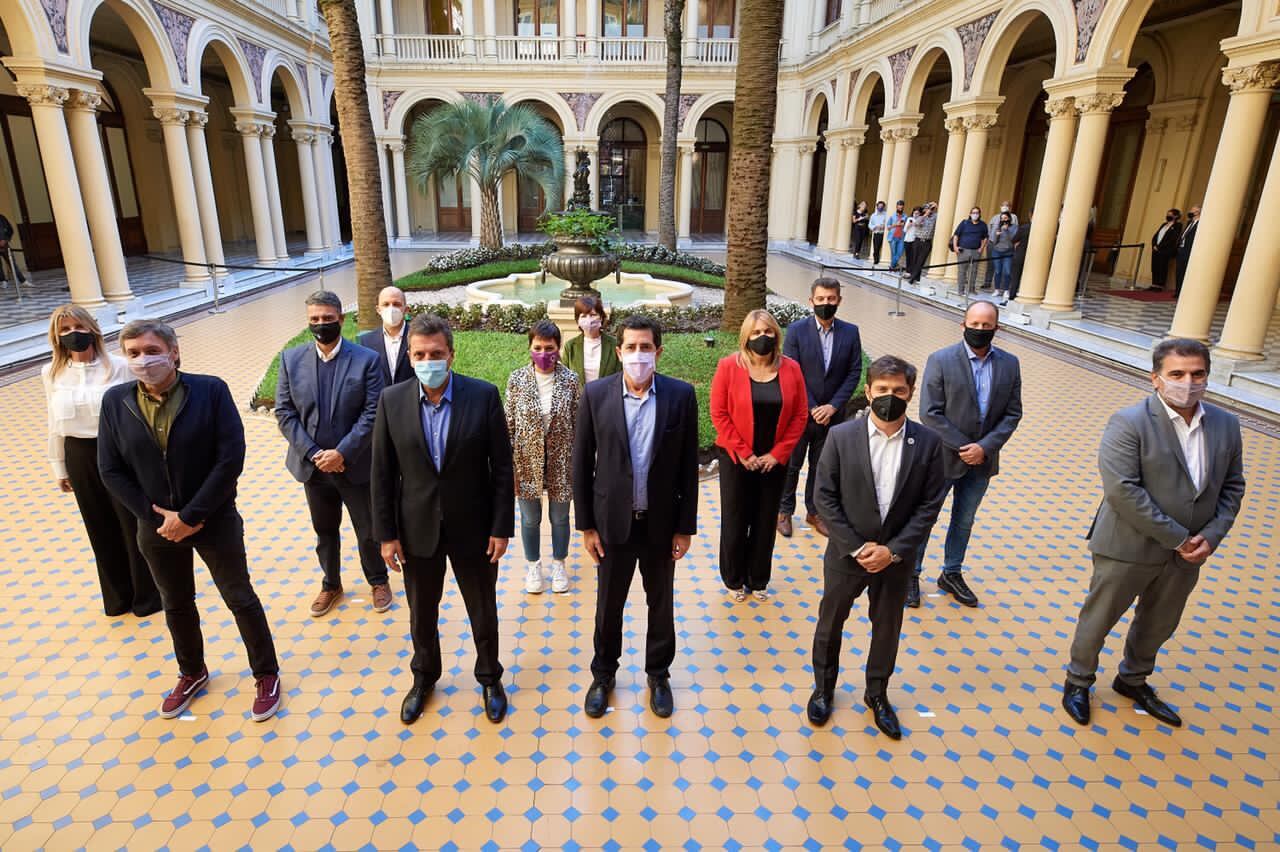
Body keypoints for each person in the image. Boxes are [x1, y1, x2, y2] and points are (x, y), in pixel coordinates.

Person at [97, 320, 281, 721]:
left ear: (173, 352)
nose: (143, 360)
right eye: (132, 353)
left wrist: (192, 514)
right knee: (176, 602)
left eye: (150, 350)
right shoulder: (115, 402)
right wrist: (155, 516)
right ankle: (191, 672)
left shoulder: (210, 390)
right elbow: (109, 469)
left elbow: (230, 456)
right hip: (157, 528)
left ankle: (266, 673)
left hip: (213, 520)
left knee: (239, 596)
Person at [1062, 338, 1245, 728]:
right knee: (1100, 616)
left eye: (1197, 374)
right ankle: (1078, 681)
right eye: (1177, 374)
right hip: (1128, 545)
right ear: (1156, 379)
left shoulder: (1226, 424)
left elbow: (1232, 486)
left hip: (1189, 551)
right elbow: (1122, 490)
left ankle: (1133, 679)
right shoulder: (1129, 422)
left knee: (1160, 621)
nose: (1188, 382)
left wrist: (1210, 537)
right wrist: (1179, 538)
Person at [371, 314, 514, 725]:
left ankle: (490, 678)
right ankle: (424, 678)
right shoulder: (392, 401)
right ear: (411, 357)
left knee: (482, 610)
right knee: (422, 613)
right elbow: (381, 474)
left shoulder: (482, 396)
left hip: (474, 528)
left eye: (436, 353)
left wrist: (501, 527)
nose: (428, 360)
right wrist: (386, 536)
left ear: (451, 354)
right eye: (420, 354)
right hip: (416, 531)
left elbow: (502, 469)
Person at [807, 356, 946, 738]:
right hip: (845, 555)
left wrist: (893, 550)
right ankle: (823, 688)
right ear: (867, 392)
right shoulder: (841, 437)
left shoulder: (929, 443)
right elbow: (824, 498)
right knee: (831, 622)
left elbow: (929, 506)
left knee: (887, 627)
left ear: (911, 393)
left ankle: (878, 694)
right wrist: (856, 547)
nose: (890, 397)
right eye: (882, 390)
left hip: (895, 560)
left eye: (898, 391)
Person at [573, 315, 699, 720]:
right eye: (631, 347)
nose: (638, 355)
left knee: (660, 603)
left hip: (660, 524)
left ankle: (658, 674)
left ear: (658, 352)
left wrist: (685, 527)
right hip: (612, 525)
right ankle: (603, 674)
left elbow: (686, 467)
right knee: (609, 603)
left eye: (646, 348)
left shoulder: (681, 396)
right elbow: (580, 465)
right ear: (619, 351)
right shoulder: (596, 395)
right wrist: (587, 526)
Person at [42, 305, 160, 618]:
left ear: (92, 328)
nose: (72, 334)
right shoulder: (51, 372)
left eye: (77, 327)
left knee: (131, 521)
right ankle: (117, 596)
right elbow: (53, 421)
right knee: (99, 525)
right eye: (64, 330)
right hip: (78, 454)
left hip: (118, 451)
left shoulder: (120, 366)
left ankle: (147, 596)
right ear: (56, 336)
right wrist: (59, 467)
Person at [276, 290, 389, 617]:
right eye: (315, 320)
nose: (321, 325)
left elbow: (373, 412)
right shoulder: (291, 359)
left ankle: (378, 580)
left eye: (328, 319)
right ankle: (331, 583)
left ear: (342, 319)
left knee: (367, 530)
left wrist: (342, 452)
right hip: (314, 469)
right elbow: (284, 412)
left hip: (354, 466)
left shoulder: (367, 360)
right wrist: (313, 453)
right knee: (324, 531)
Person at [914, 301, 1023, 609]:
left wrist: (984, 448)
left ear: (996, 328)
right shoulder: (940, 360)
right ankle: (912, 573)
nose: (980, 330)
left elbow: (1013, 413)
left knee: (964, 520)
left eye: (987, 326)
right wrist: (966, 447)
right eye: (974, 324)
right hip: (944, 458)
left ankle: (951, 573)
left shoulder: (1010, 364)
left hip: (982, 461)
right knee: (926, 518)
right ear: (963, 325)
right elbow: (930, 413)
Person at [710, 310, 808, 602]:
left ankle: (758, 577)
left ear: (776, 335)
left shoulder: (792, 369)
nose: (762, 337)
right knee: (736, 518)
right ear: (745, 337)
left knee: (765, 520)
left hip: (773, 461)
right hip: (736, 458)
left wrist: (777, 455)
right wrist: (743, 452)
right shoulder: (728, 366)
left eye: (767, 332)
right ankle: (734, 578)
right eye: (755, 333)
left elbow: (800, 415)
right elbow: (719, 413)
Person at [778, 278, 863, 539]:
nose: (826, 303)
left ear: (838, 300)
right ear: (811, 301)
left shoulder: (850, 332)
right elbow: (792, 371)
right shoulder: (796, 331)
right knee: (792, 464)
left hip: (833, 417)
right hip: (801, 413)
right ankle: (783, 511)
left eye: (831, 299)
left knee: (822, 466)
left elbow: (854, 371)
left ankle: (815, 512)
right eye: (821, 299)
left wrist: (833, 406)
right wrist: (814, 406)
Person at [505, 319, 581, 595]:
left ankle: (559, 563)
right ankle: (533, 565)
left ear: (558, 348)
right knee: (529, 519)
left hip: (562, 461)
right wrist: (508, 465)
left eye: (549, 347)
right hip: (525, 462)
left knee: (560, 518)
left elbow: (579, 422)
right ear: (529, 348)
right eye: (537, 347)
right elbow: (509, 423)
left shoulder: (571, 380)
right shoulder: (517, 380)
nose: (543, 353)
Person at [358, 285, 414, 386]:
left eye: (397, 304)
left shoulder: (418, 337)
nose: (391, 308)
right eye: (386, 304)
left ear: (406, 309)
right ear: (378, 309)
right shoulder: (367, 341)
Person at [562, 296, 621, 386]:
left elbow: (620, 376)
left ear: (601, 317)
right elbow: (564, 378)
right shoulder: (570, 346)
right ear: (578, 320)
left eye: (593, 315)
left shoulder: (614, 345)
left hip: (607, 397)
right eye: (584, 316)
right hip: (580, 399)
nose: (588, 320)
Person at [951, 207, 988, 296]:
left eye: (977, 213)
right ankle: (961, 290)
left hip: (976, 251)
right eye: (973, 213)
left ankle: (971, 289)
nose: (975, 214)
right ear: (970, 214)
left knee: (974, 271)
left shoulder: (983, 225)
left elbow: (985, 237)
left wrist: (981, 248)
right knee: (962, 271)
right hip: (963, 250)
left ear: (979, 214)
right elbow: (956, 235)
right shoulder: (964, 223)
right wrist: (955, 246)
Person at [982, 202, 1019, 290]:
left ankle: (1002, 286)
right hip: (992, 243)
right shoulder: (995, 217)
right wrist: (989, 240)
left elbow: (1015, 231)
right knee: (990, 264)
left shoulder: (1013, 217)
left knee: (1004, 268)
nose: (1004, 207)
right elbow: (989, 229)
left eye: (1006, 205)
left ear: (1010, 207)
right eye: (1002, 205)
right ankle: (987, 282)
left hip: (1006, 246)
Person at [1148, 208, 1182, 293]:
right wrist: (1154, 245)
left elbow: (1172, 239)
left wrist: (1159, 247)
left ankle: (1159, 286)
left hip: (1165, 250)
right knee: (1154, 266)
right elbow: (1156, 236)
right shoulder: (1163, 224)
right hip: (1156, 249)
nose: (1168, 216)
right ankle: (1154, 284)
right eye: (1167, 214)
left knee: (1162, 267)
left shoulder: (1177, 226)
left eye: (1170, 214)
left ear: (1176, 216)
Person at [989, 212, 1017, 302]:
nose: (1004, 220)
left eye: (1005, 218)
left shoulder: (1014, 227)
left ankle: (1006, 290)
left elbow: (1013, 239)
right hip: (997, 251)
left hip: (1008, 252)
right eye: (1002, 218)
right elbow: (994, 241)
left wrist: (1006, 230)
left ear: (1009, 218)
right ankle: (997, 289)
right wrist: (997, 235)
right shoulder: (998, 227)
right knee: (997, 271)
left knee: (1007, 272)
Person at [909, 202, 936, 284]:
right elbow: (916, 223)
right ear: (924, 210)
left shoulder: (934, 217)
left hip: (927, 242)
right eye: (927, 208)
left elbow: (941, 212)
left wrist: (935, 205)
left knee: (921, 261)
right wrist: (925, 215)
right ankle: (916, 277)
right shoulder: (920, 217)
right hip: (918, 241)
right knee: (915, 260)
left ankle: (912, 277)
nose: (928, 210)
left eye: (930, 209)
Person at [1175, 206, 1199, 297]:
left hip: (1189, 251)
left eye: (1192, 210)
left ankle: (1183, 293)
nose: (1190, 211)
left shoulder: (1200, 223)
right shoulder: (1190, 222)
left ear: (1197, 212)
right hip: (1182, 249)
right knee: (1179, 271)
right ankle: (1177, 291)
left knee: (1185, 272)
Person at [1008, 210, 1032, 303]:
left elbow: (1014, 240)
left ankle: (1012, 296)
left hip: (1020, 254)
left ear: (1030, 215)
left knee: (1015, 277)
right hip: (1034, 258)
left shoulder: (1024, 227)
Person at [0, 213, 26, 285]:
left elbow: (10, 230)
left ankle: (23, 281)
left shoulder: (2, 217)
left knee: (12, 263)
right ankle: (3, 281)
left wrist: (5, 239)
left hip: (4, 244)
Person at [886, 201, 907, 271]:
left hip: (901, 238)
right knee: (894, 253)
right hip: (893, 238)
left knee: (899, 253)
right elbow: (888, 227)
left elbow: (906, 226)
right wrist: (896, 224)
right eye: (899, 206)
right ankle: (894, 266)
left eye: (902, 206)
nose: (900, 208)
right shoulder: (892, 216)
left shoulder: (905, 216)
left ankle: (892, 266)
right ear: (897, 207)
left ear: (903, 207)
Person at [868, 201, 888, 266]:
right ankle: (876, 260)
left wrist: (883, 226)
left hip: (884, 234)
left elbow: (888, 223)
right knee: (876, 248)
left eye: (882, 207)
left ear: (883, 207)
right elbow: (870, 225)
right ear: (877, 207)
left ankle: (882, 261)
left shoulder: (886, 214)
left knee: (884, 248)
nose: (880, 208)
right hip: (877, 233)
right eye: (879, 206)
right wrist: (875, 226)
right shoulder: (873, 215)